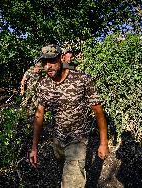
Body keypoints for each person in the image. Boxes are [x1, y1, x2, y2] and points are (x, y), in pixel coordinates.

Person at [29, 44, 109, 188]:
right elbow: (39, 114)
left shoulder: (81, 79)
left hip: (77, 141)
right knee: (65, 176)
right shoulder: (43, 85)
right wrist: (34, 147)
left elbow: (98, 111)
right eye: (44, 63)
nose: (48, 66)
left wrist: (103, 143)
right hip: (58, 140)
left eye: (52, 61)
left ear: (61, 58)